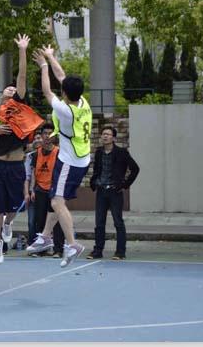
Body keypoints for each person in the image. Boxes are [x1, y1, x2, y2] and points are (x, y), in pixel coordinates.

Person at [27, 45, 92, 268]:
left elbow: (47, 91)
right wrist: (51, 56)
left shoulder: (66, 111)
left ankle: (72, 244)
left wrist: (44, 65)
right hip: (80, 158)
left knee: (56, 201)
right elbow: (62, 76)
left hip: (69, 162)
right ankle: (46, 236)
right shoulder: (82, 102)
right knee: (57, 198)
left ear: (64, 93)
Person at [0, 34, 44, 264]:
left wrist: (22, 49)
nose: (12, 89)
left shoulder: (19, 107)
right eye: (8, 88)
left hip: (16, 165)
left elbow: (21, 75)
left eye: (14, 88)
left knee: (15, 206)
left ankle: (9, 223)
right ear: (2, 94)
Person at [87, 126, 140, 260]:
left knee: (118, 222)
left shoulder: (121, 152)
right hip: (101, 191)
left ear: (113, 138)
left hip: (115, 191)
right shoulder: (99, 152)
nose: (105, 136)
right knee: (99, 223)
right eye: (103, 134)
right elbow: (97, 170)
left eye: (108, 134)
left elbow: (135, 169)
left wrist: (125, 185)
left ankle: (120, 252)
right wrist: (94, 182)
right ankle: (98, 251)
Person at [28, 123, 65, 258]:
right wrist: (32, 189)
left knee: (56, 220)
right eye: (45, 133)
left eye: (50, 133)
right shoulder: (36, 153)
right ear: (41, 135)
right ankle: (41, 249)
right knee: (40, 220)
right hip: (40, 189)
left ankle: (58, 249)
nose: (47, 136)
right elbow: (33, 172)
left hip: (54, 190)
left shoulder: (59, 152)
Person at [23, 131, 42, 251]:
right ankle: (31, 244)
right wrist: (26, 193)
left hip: (45, 192)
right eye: (35, 138)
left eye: (39, 138)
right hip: (32, 192)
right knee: (31, 221)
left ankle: (42, 246)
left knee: (42, 220)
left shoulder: (50, 154)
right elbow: (27, 177)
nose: (37, 140)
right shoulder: (29, 156)